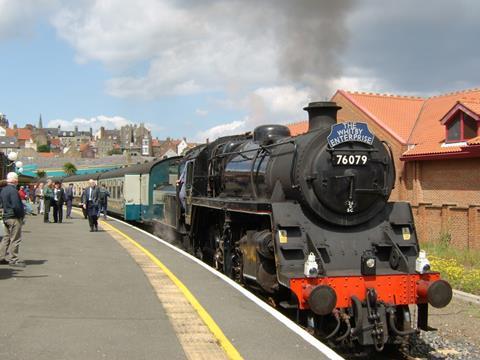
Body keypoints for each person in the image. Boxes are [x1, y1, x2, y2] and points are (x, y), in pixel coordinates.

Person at [0, 172, 26, 267]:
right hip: (14, 217)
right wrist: (21, 216)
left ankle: (1, 257)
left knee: (6, 238)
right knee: (15, 239)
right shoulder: (13, 191)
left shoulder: (3, 190)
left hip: (6, 216)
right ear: (15, 181)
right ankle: (13, 259)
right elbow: (16, 206)